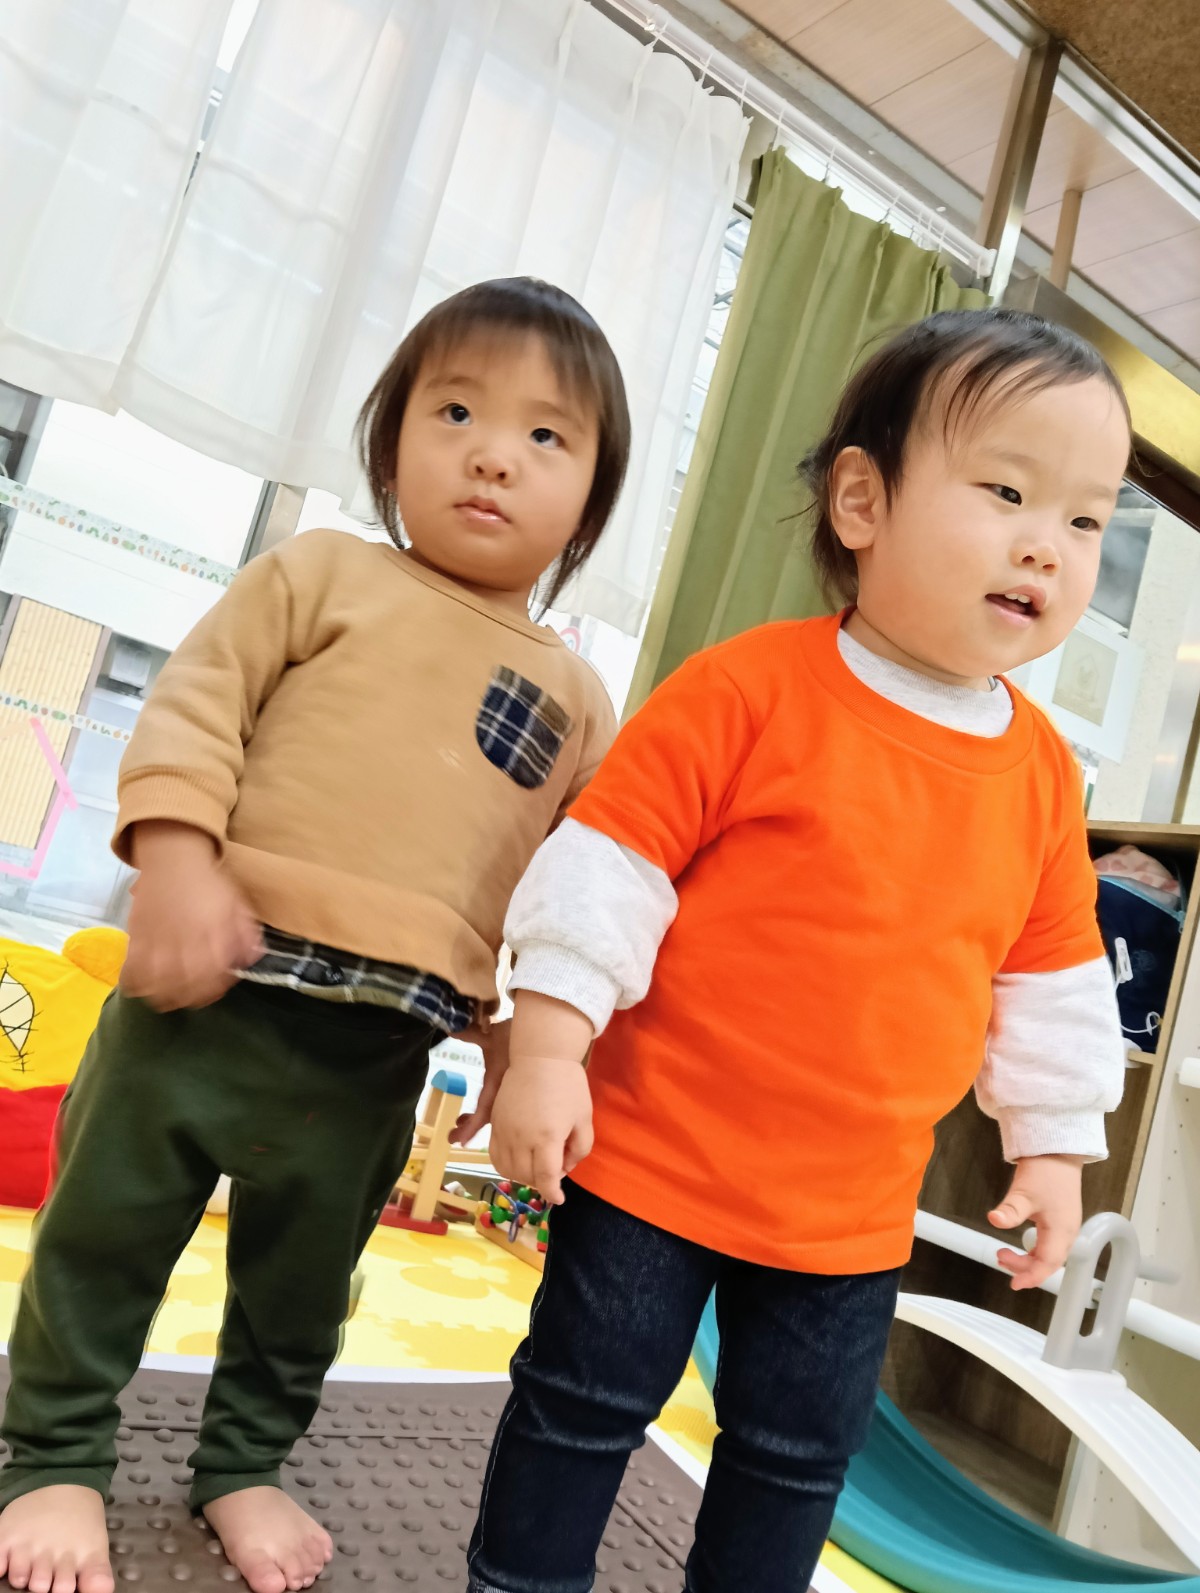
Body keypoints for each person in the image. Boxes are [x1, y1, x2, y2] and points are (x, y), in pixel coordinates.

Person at [455, 308, 1131, 1593]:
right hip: (653, 1160)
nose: (1047, 544)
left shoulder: (1045, 778)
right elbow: (606, 877)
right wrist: (546, 1052)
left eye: (1087, 520)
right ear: (862, 502)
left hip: (852, 1215)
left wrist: (1053, 1151)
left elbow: (1051, 975)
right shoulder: (748, 690)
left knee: (796, 1460)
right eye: (1006, 493)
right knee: (580, 1406)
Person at [0, 278, 629, 1593]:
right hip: (204, 996)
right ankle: (50, 1453)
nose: (494, 454)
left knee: (303, 1289)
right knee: (103, 1238)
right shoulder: (321, 573)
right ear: (391, 442)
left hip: (377, 1053)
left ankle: (242, 1461)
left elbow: (556, 891)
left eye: (545, 435)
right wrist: (177, 858)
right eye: (455, 412)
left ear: (590, 502)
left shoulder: (577, 695)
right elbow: (197, 706)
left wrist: (514, 1041)